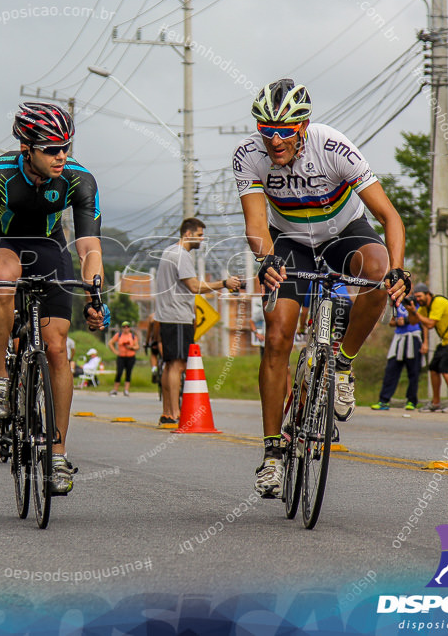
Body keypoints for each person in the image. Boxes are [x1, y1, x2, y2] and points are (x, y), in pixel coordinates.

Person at [236, 79, 409, 498]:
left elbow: (389, 217)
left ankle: (344, 363)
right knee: (277, 335)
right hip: (289, 243)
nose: (275, 140)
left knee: (377, 270)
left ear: (304, 125)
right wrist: (266, 260)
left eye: (285, 130)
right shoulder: (248, 156)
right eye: (266, 129)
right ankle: (273, 453)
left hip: (343, 233)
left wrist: (398, 270)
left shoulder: (333, 147)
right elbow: (256, 224)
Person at [0, 102, 107, 495]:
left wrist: (95, 292)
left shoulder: (79, 180)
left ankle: (57, 455)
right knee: (5, 276)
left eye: (66, 146)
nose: (61, 155)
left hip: (48, 246)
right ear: (26, 148)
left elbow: (89, 245)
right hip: (3, 243)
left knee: (58, 347)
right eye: (51, 148)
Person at [154, 218, 241, 426]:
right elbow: (194, 286)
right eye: (200, 235)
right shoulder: (181, 255)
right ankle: (175, 413)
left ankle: (167, 412)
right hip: (177, 316)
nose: (203, 239)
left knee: (169, 365)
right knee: (177, 365)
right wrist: (224, 283)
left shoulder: (168, 252)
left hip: (166, 315)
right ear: (188, 234)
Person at [405, 283, 448, 413]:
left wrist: (415, 312)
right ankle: (435, 403)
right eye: (416, 298)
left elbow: (431, 324)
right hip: (445, 341)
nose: (418, 300)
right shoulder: (424, 307)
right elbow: (413, 321)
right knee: (433, 368)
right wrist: (411, 311)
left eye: (420, 296)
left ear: (428, 294)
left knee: (446, 370)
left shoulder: (438, 302)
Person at [370, 302, 422, 411]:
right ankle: (384, 401)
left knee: (413, 372)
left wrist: (407, 320)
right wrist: (397, 322)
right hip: (399, 338)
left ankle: (411, 401)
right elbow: (391, 322)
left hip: (413, 337)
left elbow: (420, 319)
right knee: (391, 370)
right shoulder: (397, 303)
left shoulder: (416, 303)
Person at [107, 321, 140, 397]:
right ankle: (115, 389)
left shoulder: (132, 336)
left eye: (127, 327)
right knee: (119, 372)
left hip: (130, 356)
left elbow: (137, 346)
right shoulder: (119, 335)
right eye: (124, 327)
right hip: (121, 356)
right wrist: (115, 351)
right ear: (122, 328)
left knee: (128, 373)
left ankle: (126, 390)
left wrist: (131, 347)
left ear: (129, 328)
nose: (126, 328)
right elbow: (110, 343)